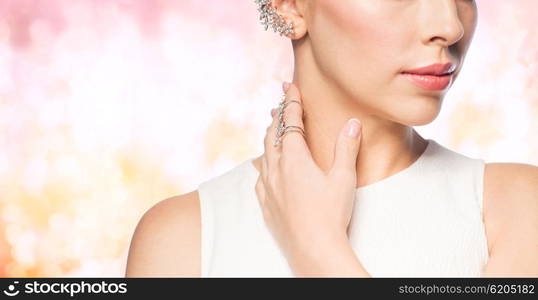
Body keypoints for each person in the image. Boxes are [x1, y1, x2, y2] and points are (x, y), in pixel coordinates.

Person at [125, 0, 538, 277]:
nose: (449, 25)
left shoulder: (517, 209)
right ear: (289, 5)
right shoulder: (183, 237)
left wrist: (318, 249)